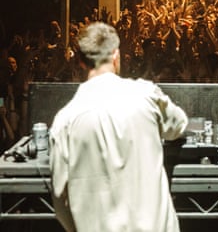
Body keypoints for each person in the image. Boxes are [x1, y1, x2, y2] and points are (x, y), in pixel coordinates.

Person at [49, 21, 188, 232]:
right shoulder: (146, 95)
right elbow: (179, 125)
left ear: (79, 62)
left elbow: (60, 200)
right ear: (116, 55)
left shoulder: (64, 121)